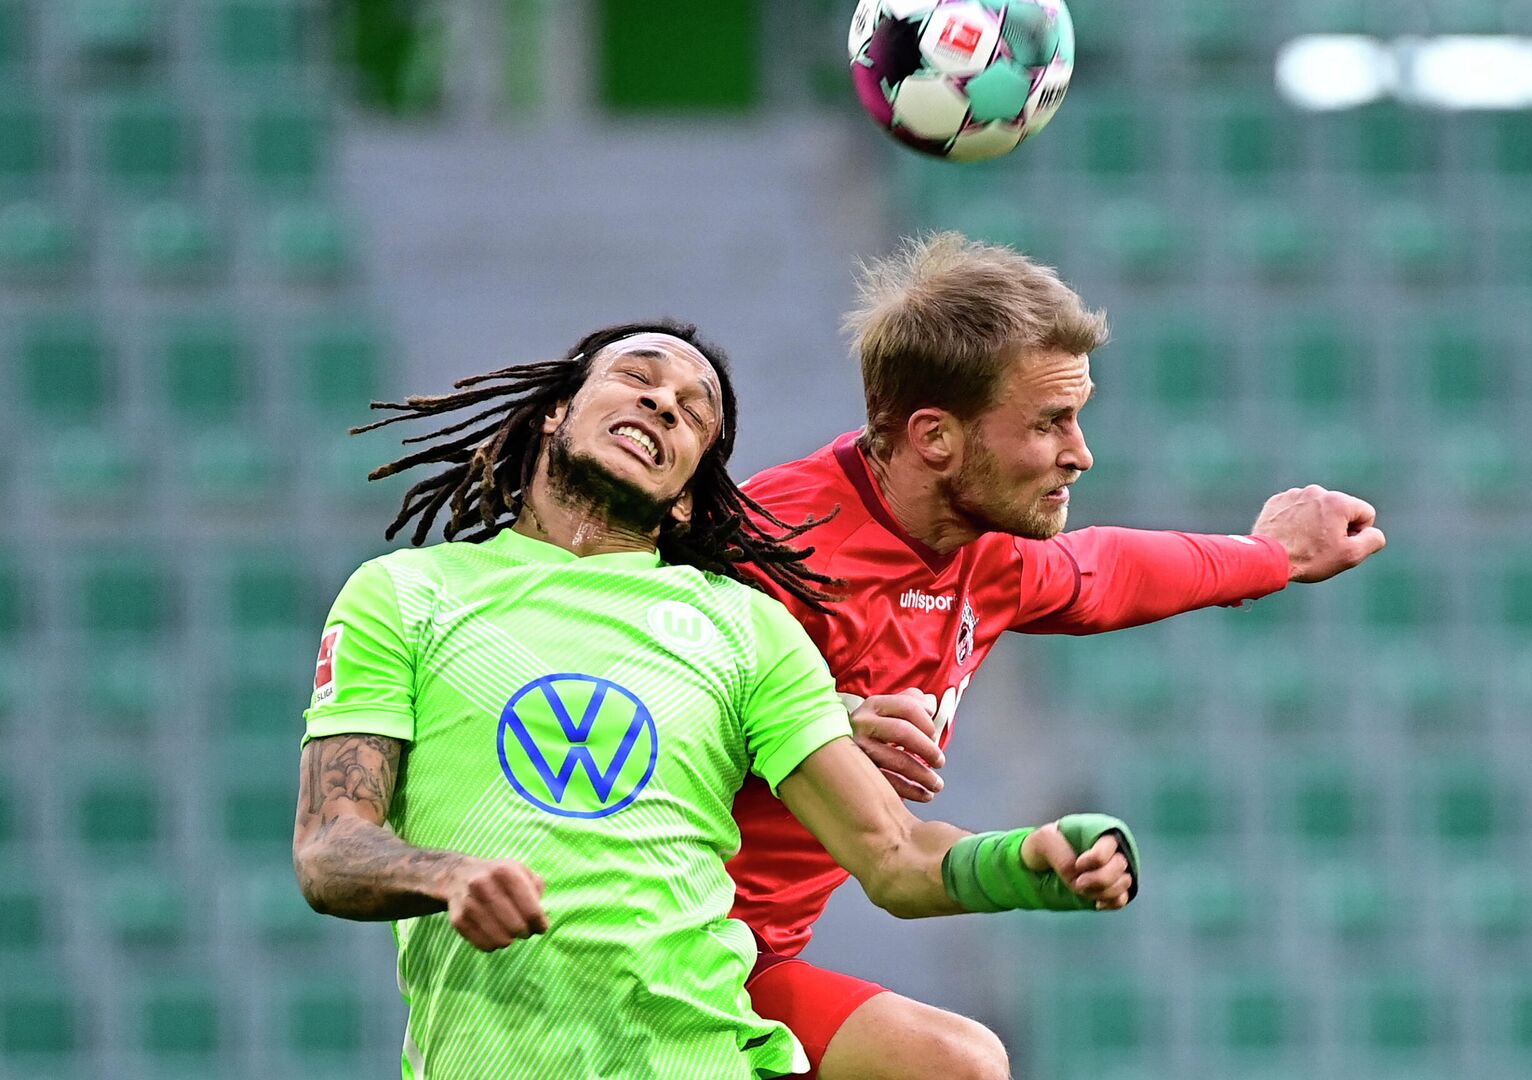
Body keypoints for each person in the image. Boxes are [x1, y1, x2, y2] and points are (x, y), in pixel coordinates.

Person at [291, 320, 1140, 1080]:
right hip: (487, 1055)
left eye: (694, 413)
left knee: (961, 1065)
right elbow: (330, 848)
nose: (663, 402)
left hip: (700, 1052)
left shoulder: (744, 629)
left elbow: (896, 857)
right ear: (556, 409)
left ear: (692, 490)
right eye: (637, 378)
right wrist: (447, 876)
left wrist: (1030, 863)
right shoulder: (405, 595)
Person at [728, 234, 1387, 1080]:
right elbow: (622, 690)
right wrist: (826, 718)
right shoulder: (770, 550)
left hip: (755, 967)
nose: (1081, 453)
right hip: (647, 957)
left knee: (957, 1066)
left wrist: (1273, 556)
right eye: (1049, 423)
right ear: (935, 436)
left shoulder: (982, 550)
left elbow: (1102, 572)